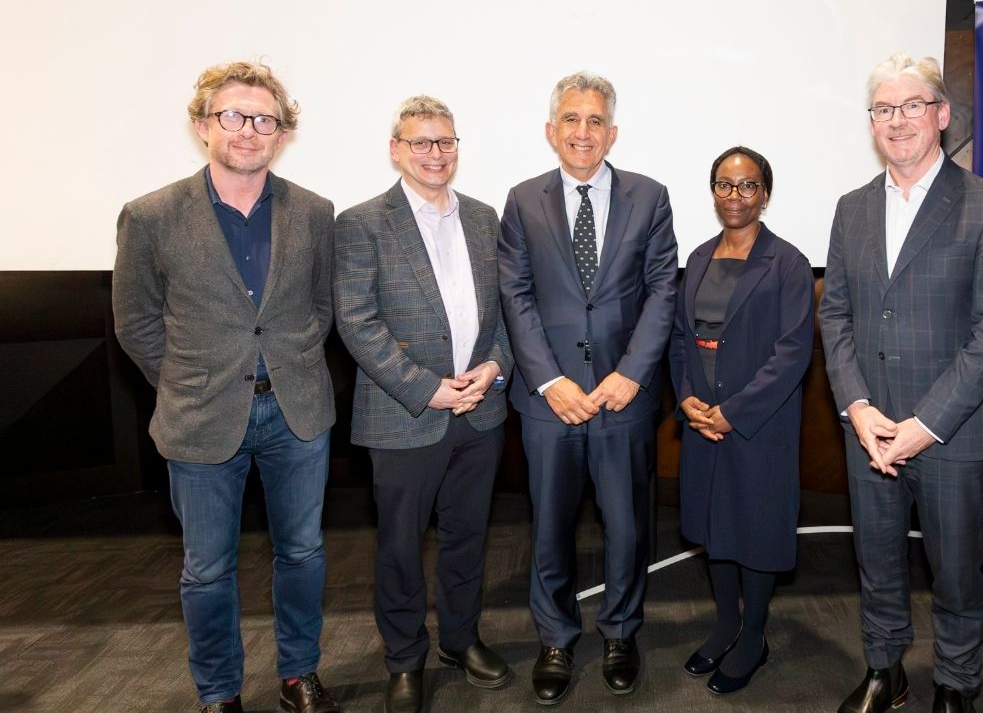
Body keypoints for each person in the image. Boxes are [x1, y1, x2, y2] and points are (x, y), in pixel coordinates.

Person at [112, 62, 340, 713]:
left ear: (282, 133)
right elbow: (135, 324)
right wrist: (191, 382)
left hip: (297, 413)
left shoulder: (315, 212)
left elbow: (319, 310)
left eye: (264, 119)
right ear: (202, 126)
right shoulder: (150, 216)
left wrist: (285, 361)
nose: (249, 130)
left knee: (302, 553)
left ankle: (299, 674)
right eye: (233, 116)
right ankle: (219, 693)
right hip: (199, 419)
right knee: (207, 570)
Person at [820, 53, 983, 713]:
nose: (897, 120)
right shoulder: (851, 208)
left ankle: (958, 684)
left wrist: (925, 424)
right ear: (871, 123)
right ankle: (886, 670)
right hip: (870, 431)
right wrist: (856, 406)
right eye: (884, 109)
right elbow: (837, 313)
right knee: (876, 565)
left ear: (941, 115)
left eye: (912, 105)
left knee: (957, 573)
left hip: (951, 433)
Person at [499, 71, 678, 705]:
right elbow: (515, 295)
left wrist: (630, 373)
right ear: (552, 131)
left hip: (623, 398)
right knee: (549, 526)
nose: (583, 131)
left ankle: (621, 632)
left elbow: (663, 290)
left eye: (595, 120)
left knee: (627, 528)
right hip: (549, 402)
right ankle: (555, 638)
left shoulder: (650, 197)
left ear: (613, 132)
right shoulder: (522, 200)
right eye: (571, 120)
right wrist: (548, 380)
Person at [333, 95, 514, 713]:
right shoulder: (361, 224)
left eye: (446, 142)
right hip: (403, 414)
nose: (435, 154)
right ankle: (404, 658)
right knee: (400, 547)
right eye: (421, 143)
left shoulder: (487, 218)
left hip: (481, 411)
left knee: (468, 538)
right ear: (396, 149)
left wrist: (493, 369)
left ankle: (461, 640)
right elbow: (357, 323)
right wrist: (427, 388)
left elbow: (507, 312)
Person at [669, 146, 814, 695]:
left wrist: (733, 413)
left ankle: (753, 635)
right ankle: (725, 624)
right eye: (725, 186)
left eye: (747, 186)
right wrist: (685, 398)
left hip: (758, 425)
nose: (735, 196)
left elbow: (792, 352)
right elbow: (682, 340)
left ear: (765, 195)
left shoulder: (789, 263)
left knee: (754, 530)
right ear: (713, 193)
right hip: (702, 420)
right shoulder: (700, 257)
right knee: (714, 528)